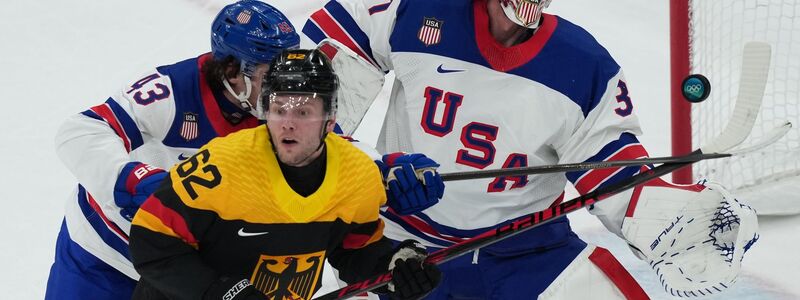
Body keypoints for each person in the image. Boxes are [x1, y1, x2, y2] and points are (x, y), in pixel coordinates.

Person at [303, 0, 760, 298]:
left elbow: (611, 172)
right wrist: (369, 169)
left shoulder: (584, 63)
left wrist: (676, 219)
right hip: (402, 252)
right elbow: (312, 91)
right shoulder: (413, 9)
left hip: (526, 255)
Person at [46, 1, 442, 299]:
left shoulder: (281, 101)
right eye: (270, 75)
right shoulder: (171, 91)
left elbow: (332, 148)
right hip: (105, 255)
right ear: (232, 70)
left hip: (192, 267)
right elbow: (80, 131)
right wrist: (132, 180)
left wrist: (385, 170)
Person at [128, 48, 441, 300]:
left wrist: (394, 268)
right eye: (279, 109)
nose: (287, 123)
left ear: (330, 120)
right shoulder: (222, 164)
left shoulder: (356, 176)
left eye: (303, 112)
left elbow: (354, 251)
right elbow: (150, 241)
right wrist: (220, 292)